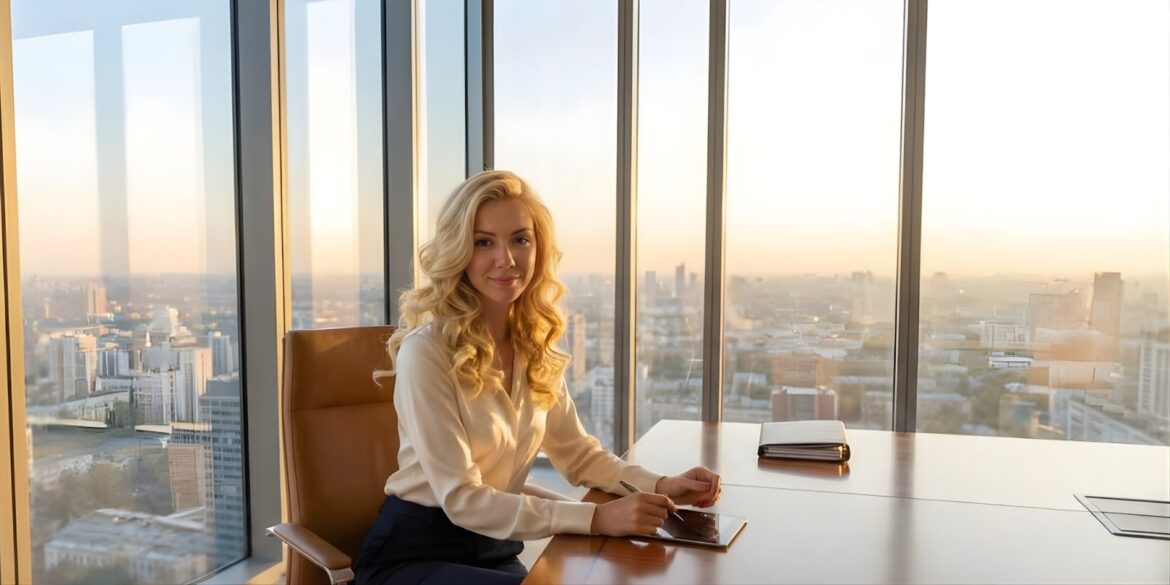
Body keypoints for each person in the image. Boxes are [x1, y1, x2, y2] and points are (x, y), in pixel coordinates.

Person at [355, 170, 722, 585]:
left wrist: (661, 483)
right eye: (483, 242)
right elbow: (461, 498)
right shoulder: (427, 352)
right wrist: (597, 517)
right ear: (458, 251)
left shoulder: (532, 345)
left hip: (495, 549)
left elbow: (578, 455)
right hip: (414, 555)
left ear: (538, 248)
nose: (506, 259)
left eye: (520, 239)